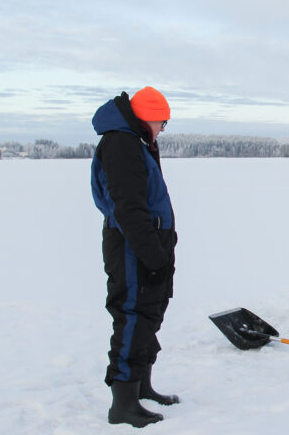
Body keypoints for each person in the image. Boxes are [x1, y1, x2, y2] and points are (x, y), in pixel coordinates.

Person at [91, 86, 179, 428]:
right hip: (132, 244)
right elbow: (129, 208)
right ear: (146, 118)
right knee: (131, 315)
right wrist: (152, 258)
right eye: (161, 123)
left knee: (149, 314)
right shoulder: (121, 144)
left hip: (149, 240)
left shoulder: (137, 142)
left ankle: (142, 387)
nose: (161, 130)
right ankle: (123, 403)